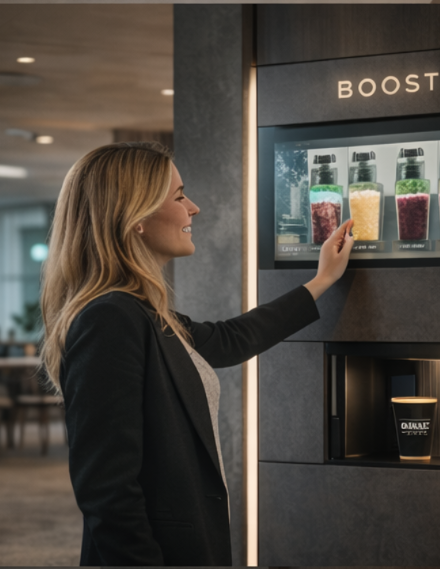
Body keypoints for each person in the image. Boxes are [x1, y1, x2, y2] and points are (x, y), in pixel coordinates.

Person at [39, 142, 354, 566]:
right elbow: (107, 492)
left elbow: (228, 340)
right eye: (179, 195)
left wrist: (320, 282)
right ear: (136, 218)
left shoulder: (140, 312)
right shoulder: (110, 319)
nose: (195, 208)